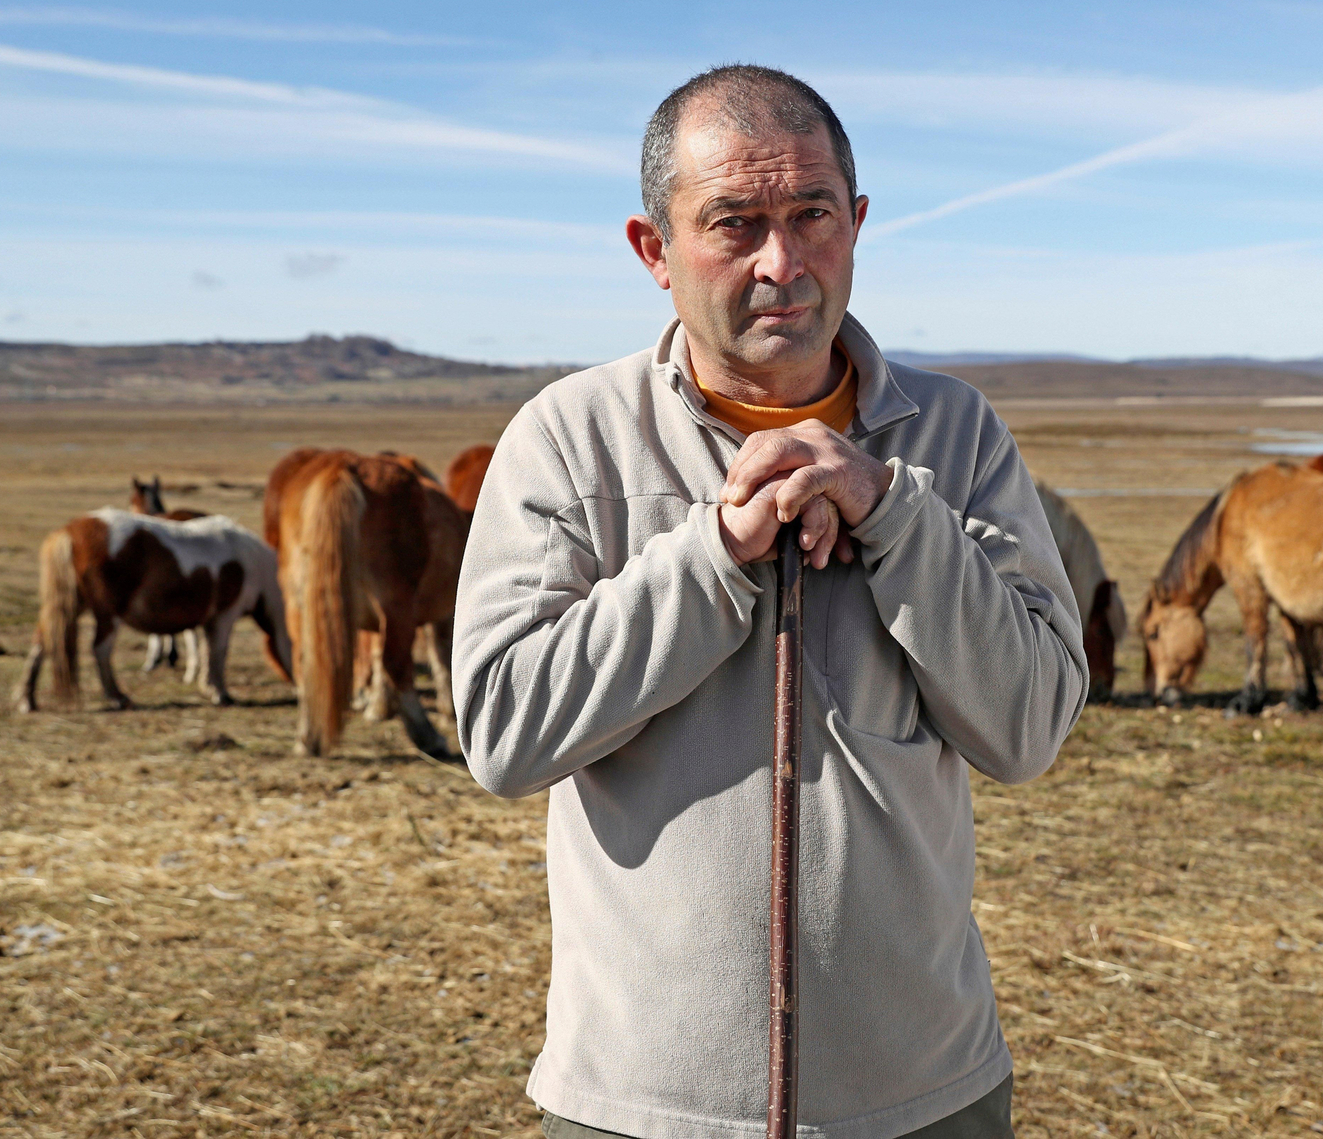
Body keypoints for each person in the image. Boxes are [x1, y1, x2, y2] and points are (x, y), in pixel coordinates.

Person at [452, 64, 1088, 1139]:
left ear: (857, 223)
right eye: (733, 223)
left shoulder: (955, 436)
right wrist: (712, 554)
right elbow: (507, 733)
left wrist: (894, 512)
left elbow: (1028, 728)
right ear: (654, 250)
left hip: (921, 1095)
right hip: (646, 1104)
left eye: (811, 216)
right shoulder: (569, 439)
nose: (781, 264)